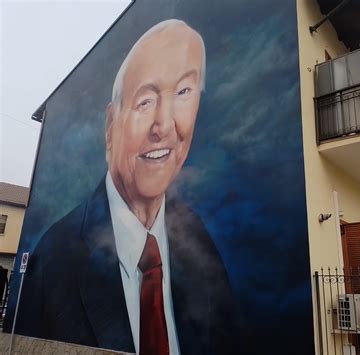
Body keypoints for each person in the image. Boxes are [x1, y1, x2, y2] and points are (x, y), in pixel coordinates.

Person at [12, 19, 238, 355]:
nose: (164, 125)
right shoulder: (53, 263)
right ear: (110, 126)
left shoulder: (202, 248)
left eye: (183, 92)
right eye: (145, 101)